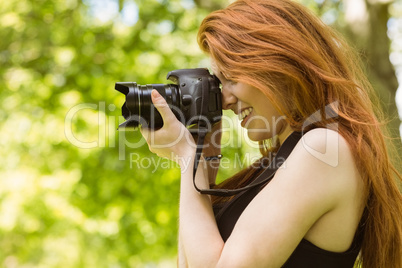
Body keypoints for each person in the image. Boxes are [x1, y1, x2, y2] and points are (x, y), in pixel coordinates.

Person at [140, 0, 402, 267]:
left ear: (278, 63)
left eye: (232, 78)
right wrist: (203, 160)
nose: (225, 100)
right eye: (219, 83)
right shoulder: (286, 160)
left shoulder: (323, 148)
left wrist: (187, 155)